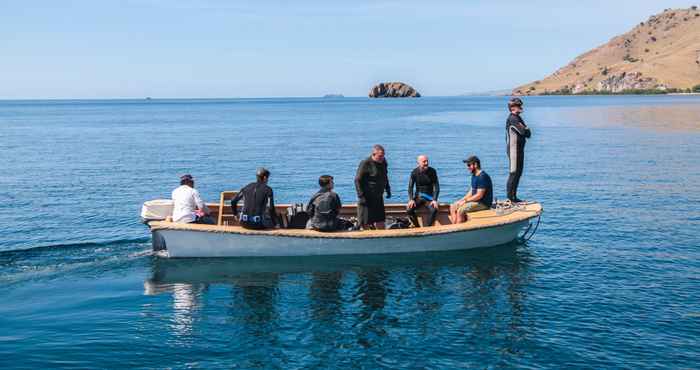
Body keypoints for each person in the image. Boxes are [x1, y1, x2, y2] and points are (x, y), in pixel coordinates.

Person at [355, 144, 392, 229]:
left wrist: (388, 189)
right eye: (380, 156)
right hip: (367, 197)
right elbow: (357, 180)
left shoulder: (383, 162)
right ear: (373, 154)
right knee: (365, 221)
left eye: (383, 156)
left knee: (380, 220)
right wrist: (361, 196)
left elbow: (385, 176)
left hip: (378, 196)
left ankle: (381, 238)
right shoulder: (365, 163)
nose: (382, 158)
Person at [449, 156, 493, 224]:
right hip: (475, 201)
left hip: (483, 203)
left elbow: (479, 195)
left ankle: (458, 230)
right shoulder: (474, 175)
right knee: (453, 206)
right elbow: (471, 191)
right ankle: (453, 227)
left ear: (475, 165)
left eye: (469, 165)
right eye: (467, 165)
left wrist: (465, 201)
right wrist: (461, 200)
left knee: (461, 210)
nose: (468, 167)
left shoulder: (482, 177)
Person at [505, 97, 531, 203]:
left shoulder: (518, 118)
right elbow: (524, 132)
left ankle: (514, 197)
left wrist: (526, 129)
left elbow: (529, 134)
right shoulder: (513, 118)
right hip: (513, 150)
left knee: (518, 173)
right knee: (513, 172)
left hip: (520, 150)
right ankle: (510, 198)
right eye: (519, 106)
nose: (521, 107)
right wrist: (525, 129)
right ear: (513, 107)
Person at [406, 154, 440, 227]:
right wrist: (411, 199)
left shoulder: (432, 171)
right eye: (424, 162)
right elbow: (410, 187)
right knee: (409, 210)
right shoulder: (414, 172)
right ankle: (417, 227)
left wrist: (434, 199)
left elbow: (436, 187)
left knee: (434, 210)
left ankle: (428, 228)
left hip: (429, 198)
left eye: (427, 161)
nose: (426, 163)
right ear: (418, 163)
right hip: (419, 197)